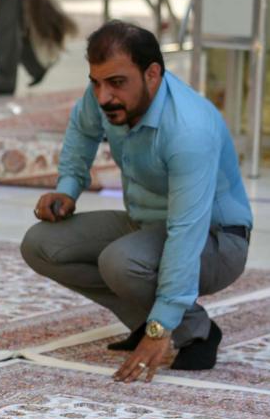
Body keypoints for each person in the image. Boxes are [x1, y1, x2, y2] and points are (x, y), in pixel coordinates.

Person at [20, 22, 253, 381]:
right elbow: (83, 129)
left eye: (116, 83)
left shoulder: (188, 129)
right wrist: (68, 188)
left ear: (153, 74)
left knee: (121, 261)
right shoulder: (105, 94)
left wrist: (162, 326)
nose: (103, 97)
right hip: (146, 224)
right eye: (96, 82)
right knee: (41, 244)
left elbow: (186, 232)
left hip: (216, 238)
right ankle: (148, 319)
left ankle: (196, 332)